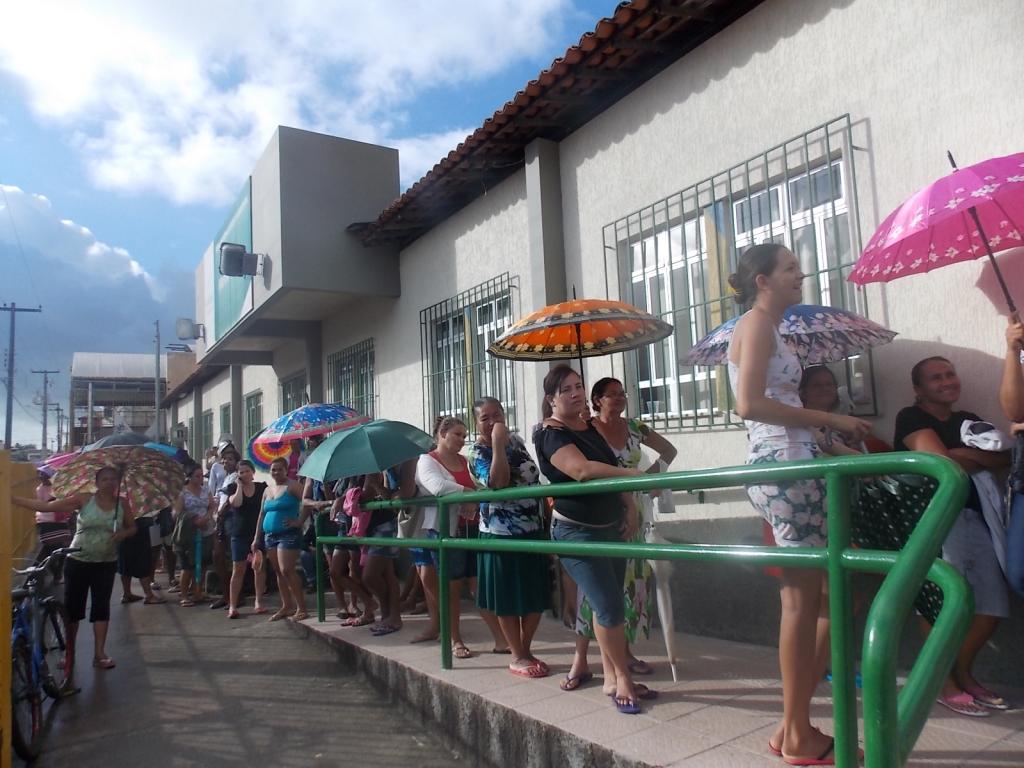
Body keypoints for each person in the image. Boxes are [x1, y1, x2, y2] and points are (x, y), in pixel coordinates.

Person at [726, 243, 869, 762]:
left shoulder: (771, 327)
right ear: (762, 280)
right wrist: (829, 419)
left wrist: (832, 442)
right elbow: (749, 405)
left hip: (794, 462)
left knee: (827, 594)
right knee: (802, 602)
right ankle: (798, 734)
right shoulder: (757, 324)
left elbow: (779, 408)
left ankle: (792, 726)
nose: (800, 274)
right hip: (784, 469)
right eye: (789, 268)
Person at [533, 364, 655, 714]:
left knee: (610, 604)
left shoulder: (588, 427)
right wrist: (632, 474)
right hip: (576, 531)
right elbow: (582, 470)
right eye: (566, 389)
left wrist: (628, 504)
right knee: (608, 605)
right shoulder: (549, 434)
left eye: (578, 386)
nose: (576, 393)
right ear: (551, 399)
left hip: (611, 526)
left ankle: (612, 678)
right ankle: (622, 679)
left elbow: (607, 464)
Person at [894, 355, 1011, 716]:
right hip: (935, 518)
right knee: (941, 601)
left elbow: (1004, 458)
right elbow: (939, 462)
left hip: (977, 517)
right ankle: (945, 682)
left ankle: (959, 673)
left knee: (992, 604)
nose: (947, 381)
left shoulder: (967, 420)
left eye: (950, 374)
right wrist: (966, 456)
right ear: (918, 388)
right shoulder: (910, 417)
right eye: (936, 377)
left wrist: (961, 455)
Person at [563, 377, 678, 685]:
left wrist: (649, 478)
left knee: (630, 583)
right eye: (611, 394)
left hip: (635, 510)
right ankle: (580, 659)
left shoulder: (635, 428)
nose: (619, 398)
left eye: (621, 393)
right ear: (597, 400)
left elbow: (669, 450)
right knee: (595, 587)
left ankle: (624, 653)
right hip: (603, 511)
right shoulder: (587, 429)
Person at [13, 466, 136, 677]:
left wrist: (123, 534)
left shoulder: (122, 504)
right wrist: (15, 500)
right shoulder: (84, 499)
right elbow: (47, 506)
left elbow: (133, 527)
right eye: (105, 479)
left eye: (113, 479)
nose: (109, 483)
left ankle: (99, 654)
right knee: (73, 610)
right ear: (96, 483)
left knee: (101, 608)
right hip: (78, 561)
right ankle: (69, 654)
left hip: (106, 563)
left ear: (118, 482)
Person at [469, 397, 550, 678]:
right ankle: (516, 654)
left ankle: (525, 649)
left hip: (532, 529)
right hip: (499, 533)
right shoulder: (477, 451)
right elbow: (499, 482)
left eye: (497, 415)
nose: (493, 421)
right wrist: (496, 444)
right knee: (506, 597)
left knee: (535, 593)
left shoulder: (517, 442)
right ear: (476, 423)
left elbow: (533, 478)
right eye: (485, 418)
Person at [414, 416, 481, 657]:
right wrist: (468, 493)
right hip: (445, 530)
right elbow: (438, 487)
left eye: (464, 436)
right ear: (442, 434)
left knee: (477, 584)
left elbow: (481, 485)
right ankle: (454, 639)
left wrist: (473, 495)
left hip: (472, 528)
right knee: (451, 587)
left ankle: (500, 637)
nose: (462, 440)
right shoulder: (426, 460)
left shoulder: (465, 461)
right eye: (458, 434)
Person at [253, 456, 309, 621]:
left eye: (280, 469)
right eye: (273, 469)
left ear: (286, 470)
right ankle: (286, 606)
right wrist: (256, 538)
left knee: (287, 569)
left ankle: (302, 607)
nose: (276, 472)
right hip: (270, 535)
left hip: (288, 534)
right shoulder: (267, 490)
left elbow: (307, 503)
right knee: (278, 572)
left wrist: (299, 521)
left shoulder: (293, 486)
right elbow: (261, 514)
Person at [224, 460, 268, 618]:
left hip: (257, 533)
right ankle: (233, 605)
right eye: (241, 472)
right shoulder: (232, 488)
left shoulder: (262, 487)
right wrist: (239, 487)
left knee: (258, 567)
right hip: (239, 534)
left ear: (253, 472)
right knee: (238, 570)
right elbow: (236, 503)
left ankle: (258, 601)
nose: (244, 474)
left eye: (247, 471)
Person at [173, 463, 216, 607]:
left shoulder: (206, 490)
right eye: (197, 476)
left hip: (205, 530)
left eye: (201, 476)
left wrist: (207, 517)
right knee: (187, 566)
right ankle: (184, 595)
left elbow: (211, 506)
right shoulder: (183, 493)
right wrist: (193, 519)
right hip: (188, 533)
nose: (200, 479)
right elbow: (176, 513)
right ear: (189, 477)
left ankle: (198, 591)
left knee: (203, 564)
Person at [208, 444, 239, 609]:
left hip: (229, 520)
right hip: (220, 519)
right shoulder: (225, 477)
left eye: (230, 459)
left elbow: (230, 500)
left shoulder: (236, 477)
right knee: (218, 558)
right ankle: (226, 595)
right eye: (225, 459)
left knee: (228, 557)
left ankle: (234, 596)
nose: (226, 461)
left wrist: (220, 513)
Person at [33, 465, 72, 564]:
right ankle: (53, 568)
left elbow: (64, 499)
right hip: (46, 521)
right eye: (40, 474)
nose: (41, 477)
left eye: (44, 475)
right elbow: (41, 504)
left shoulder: (57, 487)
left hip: (60, 520)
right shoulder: (40, 489)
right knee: (51, 547)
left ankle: (58, 568)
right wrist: (52, 501)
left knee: (63, 546)